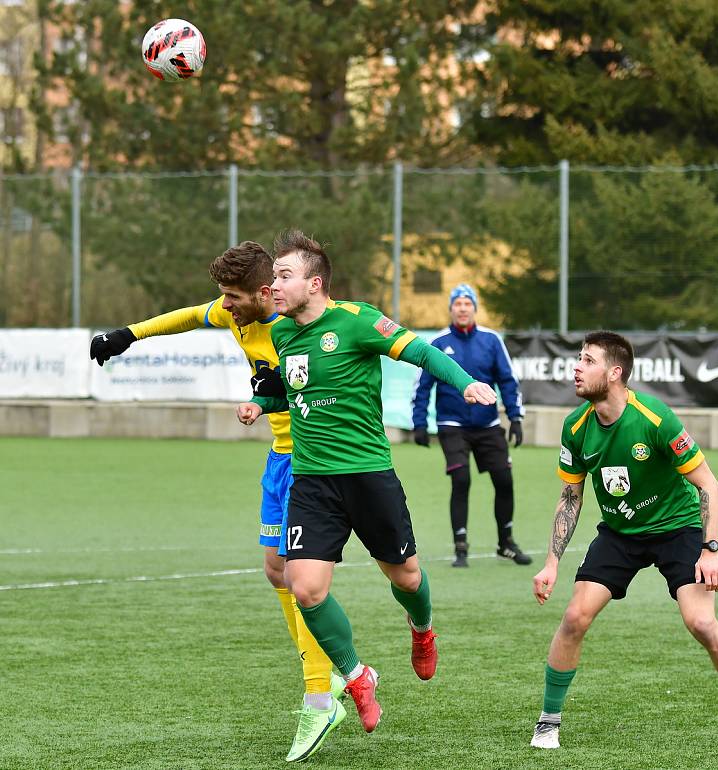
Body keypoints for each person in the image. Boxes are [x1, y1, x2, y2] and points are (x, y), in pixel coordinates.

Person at [89, 241, 347, 763]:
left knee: (304, 576)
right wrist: (127, 335)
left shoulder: (299, 322)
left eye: (232, 296)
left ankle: (321, 693)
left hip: (317, 461)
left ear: (266, 292)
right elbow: (189, 316)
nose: (224, 305)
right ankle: (336, 671)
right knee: (276, 572)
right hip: (280, 459)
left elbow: (335, 363)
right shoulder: (237, 313)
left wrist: (277, 386)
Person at [238, 230, 497, 734]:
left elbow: (420, 352)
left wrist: (466, 384)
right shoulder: (283, 335)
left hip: (368, 477)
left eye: (283, 276)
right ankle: (358, 678)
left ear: (315, 284)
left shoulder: (356, 321)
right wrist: (260, 404)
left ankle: (422, 630)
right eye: (273, 277)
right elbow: (295, 394)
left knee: (407, 578)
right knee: (303, 587)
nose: (274, 286)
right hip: (313, 484)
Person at [529, 331, 718, 756]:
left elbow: (708, 485)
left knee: (701, 623)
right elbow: (571, 497)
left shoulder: (656, 419)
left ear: (614, 372)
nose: (576, 367)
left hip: (678, 529)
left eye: (587, 361)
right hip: (620, 533)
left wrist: (710, 549)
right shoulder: (575, 427)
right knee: (574, 618)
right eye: (578, 359)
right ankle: (547, 722)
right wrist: (551, 562)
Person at [411, 283, 530, 568]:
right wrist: (418, 423)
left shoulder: (491, 340)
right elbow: (422, 385)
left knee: (504, 480)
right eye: (457, 304)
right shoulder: (438, 343)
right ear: (451, 309)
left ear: (474, 309)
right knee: (461, 480)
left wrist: (515, 418)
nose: (462, 308)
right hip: (452, 424)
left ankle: (506, 543)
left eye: (467, 304)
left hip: (488, 424)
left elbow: (508, 381)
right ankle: (460, 546)